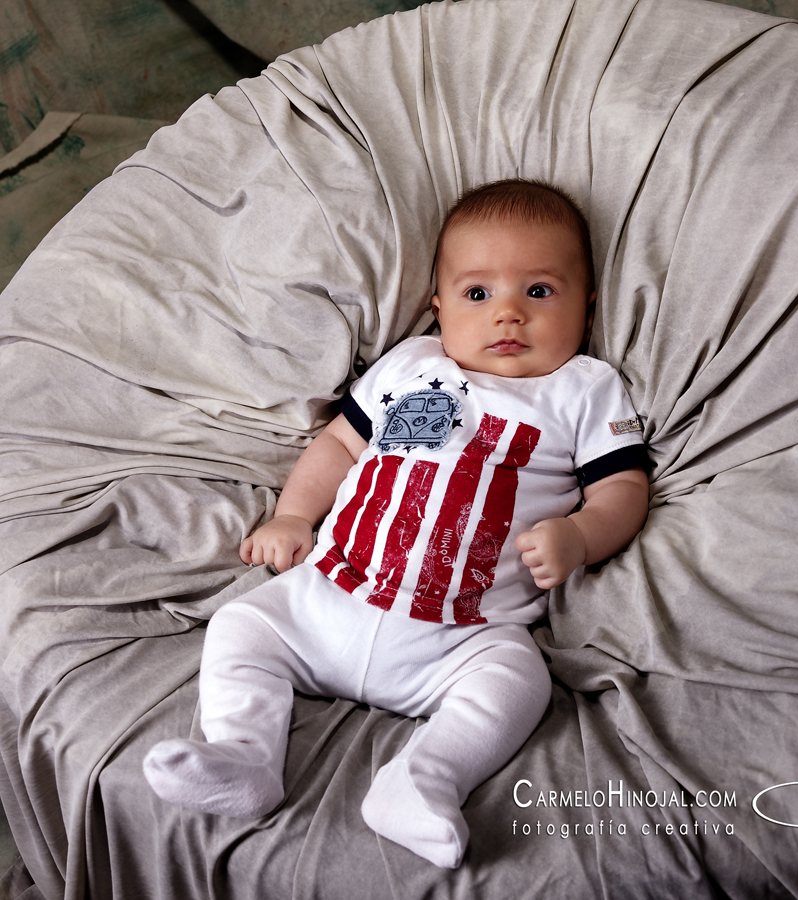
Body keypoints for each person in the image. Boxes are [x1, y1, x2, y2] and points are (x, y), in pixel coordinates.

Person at [143, 178, 649, 868]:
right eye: (478, 294)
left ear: (586, 305)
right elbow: (342, 445)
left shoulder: (585, 389)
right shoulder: (414, 368)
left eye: (538, 292)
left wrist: (582, 534)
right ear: (437, 306)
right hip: (332, 596)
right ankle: (244, 755)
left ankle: (421, 781)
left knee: (519, 683)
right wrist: (295, 515)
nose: (508, 314)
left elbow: (623, 485)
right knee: (242, 624)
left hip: (461, 636)